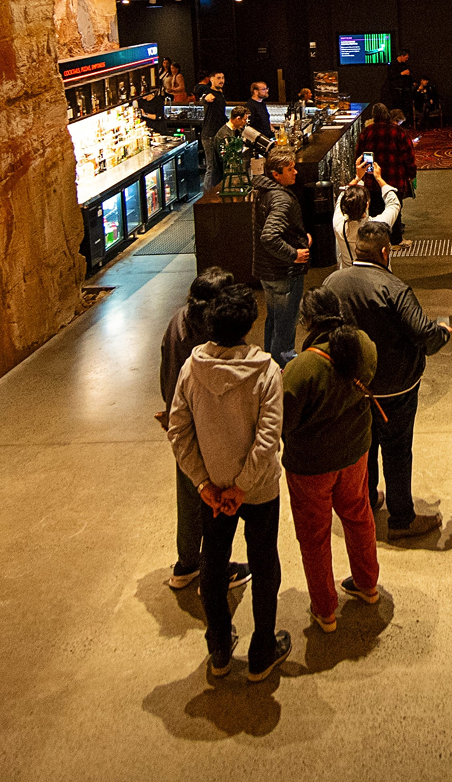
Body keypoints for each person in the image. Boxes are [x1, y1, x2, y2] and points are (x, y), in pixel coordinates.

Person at [168, 287, 291, 680]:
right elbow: (268, 437)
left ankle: (219, 649)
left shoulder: (191, 369)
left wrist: (205, 484)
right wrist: (243, 487)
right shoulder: (267, 371)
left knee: (214, 563)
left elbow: (178, 431)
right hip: (258, 491)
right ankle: (262, 651)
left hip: (213, 491)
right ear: (249, 325)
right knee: (264, 561)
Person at [325, 220, 451, 540]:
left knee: (364, 446)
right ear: (385, 252)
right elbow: (425, 335)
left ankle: (367, 500)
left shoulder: (332, 283)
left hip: (353, 386)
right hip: (396, 388)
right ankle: (401, 518)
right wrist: (442, 332)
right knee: (397, 449)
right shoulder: (394, 288)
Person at [281, 286, 381, 631]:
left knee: (315, 535)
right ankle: (368, 586)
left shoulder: (302, 368)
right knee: (358, 516)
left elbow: (283, 421)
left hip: (310, 467)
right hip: (355, 453)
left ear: (307, 321)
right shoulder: (364, 345)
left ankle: (325, 610)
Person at [158, 267, 251, 593]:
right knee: (215, 506)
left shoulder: (177, 321)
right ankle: (216, 572)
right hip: (208, 429)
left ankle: (187, 565)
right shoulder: (211, 337)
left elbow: (165, 377)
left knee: (189, 496)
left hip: (179, 426)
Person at [252, 146, 310, 366]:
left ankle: (270, 366)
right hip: (283, 273)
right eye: (290, 169)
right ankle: (284, 374)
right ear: (276, 174)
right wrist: (294, 254)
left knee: (274, 321)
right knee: (285, 328)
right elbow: (269, 236)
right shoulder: (281, 199)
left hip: (267, 271)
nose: (295, 172)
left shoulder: (263, 191)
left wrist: (300, 237)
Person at [361, 103, 417, 243]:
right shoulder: (399, 132)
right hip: (395, 178)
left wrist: (363, 175)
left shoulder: (367, 132)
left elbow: (361, 156)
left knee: (375, 210)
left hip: (372, 180)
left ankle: (377, 241)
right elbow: (409, 156)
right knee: (394, 208)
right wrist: (411, 173)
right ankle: (396, 240)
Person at [333, 160, 401, 266]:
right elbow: (394, 204)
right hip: (377, 278)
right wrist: (379, 178)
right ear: (367, 205)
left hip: (349, 277)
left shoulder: (338, 224)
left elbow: (341, 196)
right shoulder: (378, 225)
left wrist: (357, 177)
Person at [214, 105, 274, 174]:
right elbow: (226, 158)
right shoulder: (224, 135)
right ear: (238, 119)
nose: (245, 122)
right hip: (225, 173)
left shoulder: (237, 130)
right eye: (244, 119)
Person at [195, 70, 228, 192]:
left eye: (223, 78)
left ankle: (216, 191)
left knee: (218, 167)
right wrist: (205, 98)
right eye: (218, 78)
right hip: (209, 135)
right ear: (211, 79)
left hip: (218, 134)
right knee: (211, 167)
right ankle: (207, 196)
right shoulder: (209, 93)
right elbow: (204, 98)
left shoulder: (220, 93)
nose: (221, 80)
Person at [388, 49, 415, 114]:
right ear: (402, 56)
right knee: (397, 107)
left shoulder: (404, 65)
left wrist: (412, 82)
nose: (407, 59)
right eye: (406, 57)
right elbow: (391, 76)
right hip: (396, 91)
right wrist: (402, 73)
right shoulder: (393, 64)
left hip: (404, 90)